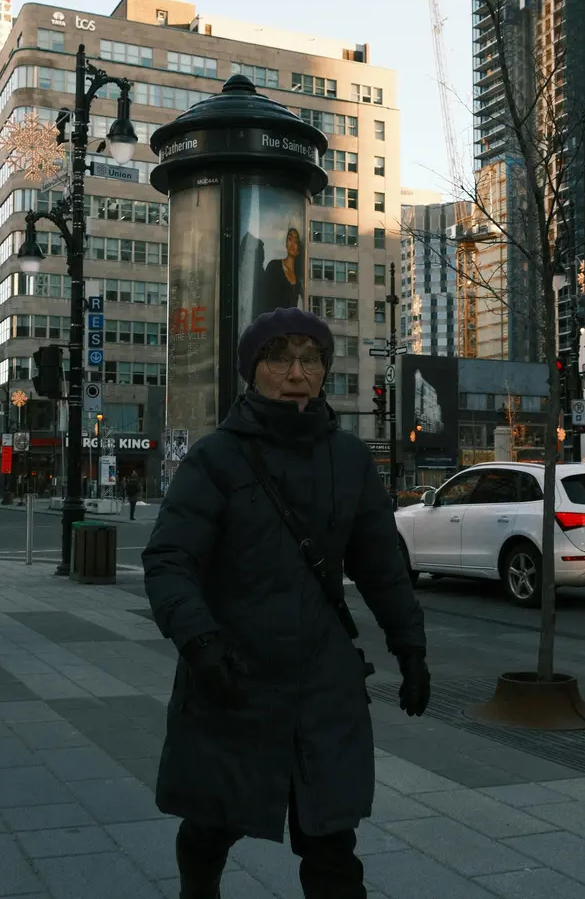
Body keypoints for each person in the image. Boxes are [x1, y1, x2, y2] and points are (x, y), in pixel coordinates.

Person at [143, 307, 430, 899]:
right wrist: (200, 641)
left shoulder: (349, 459)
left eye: (312, 357)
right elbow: (170, 559)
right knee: (211, 825)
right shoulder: (216, 458)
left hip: (323, 681)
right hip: (234, 673)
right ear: (254, 370)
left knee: (331, 841)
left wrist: (412, 650)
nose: (297, 371)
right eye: (280, 357)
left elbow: (382, 568)